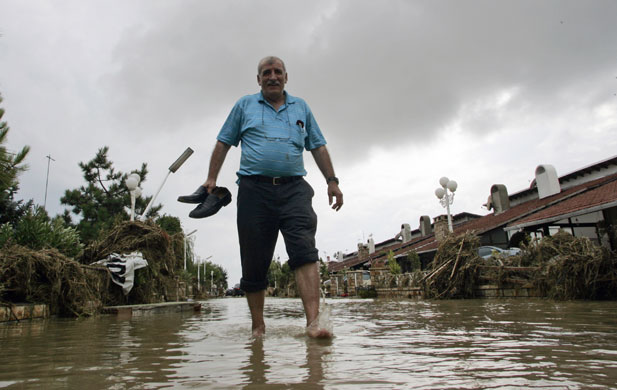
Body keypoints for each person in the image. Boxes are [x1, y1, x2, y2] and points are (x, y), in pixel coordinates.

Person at [202, 56, 343, 338]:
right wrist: (211, 179)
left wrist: (332, 181)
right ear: (258, 79)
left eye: (278, 72)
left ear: (286, 77)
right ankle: (258, 327)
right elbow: (223, 142)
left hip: (295, 190)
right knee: (254, 259)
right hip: (254, 192)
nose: (272, 76)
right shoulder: (245, 105)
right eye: (266, 72)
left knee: (305, 251)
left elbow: (318, 146)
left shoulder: (301, 107)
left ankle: (313, 323)